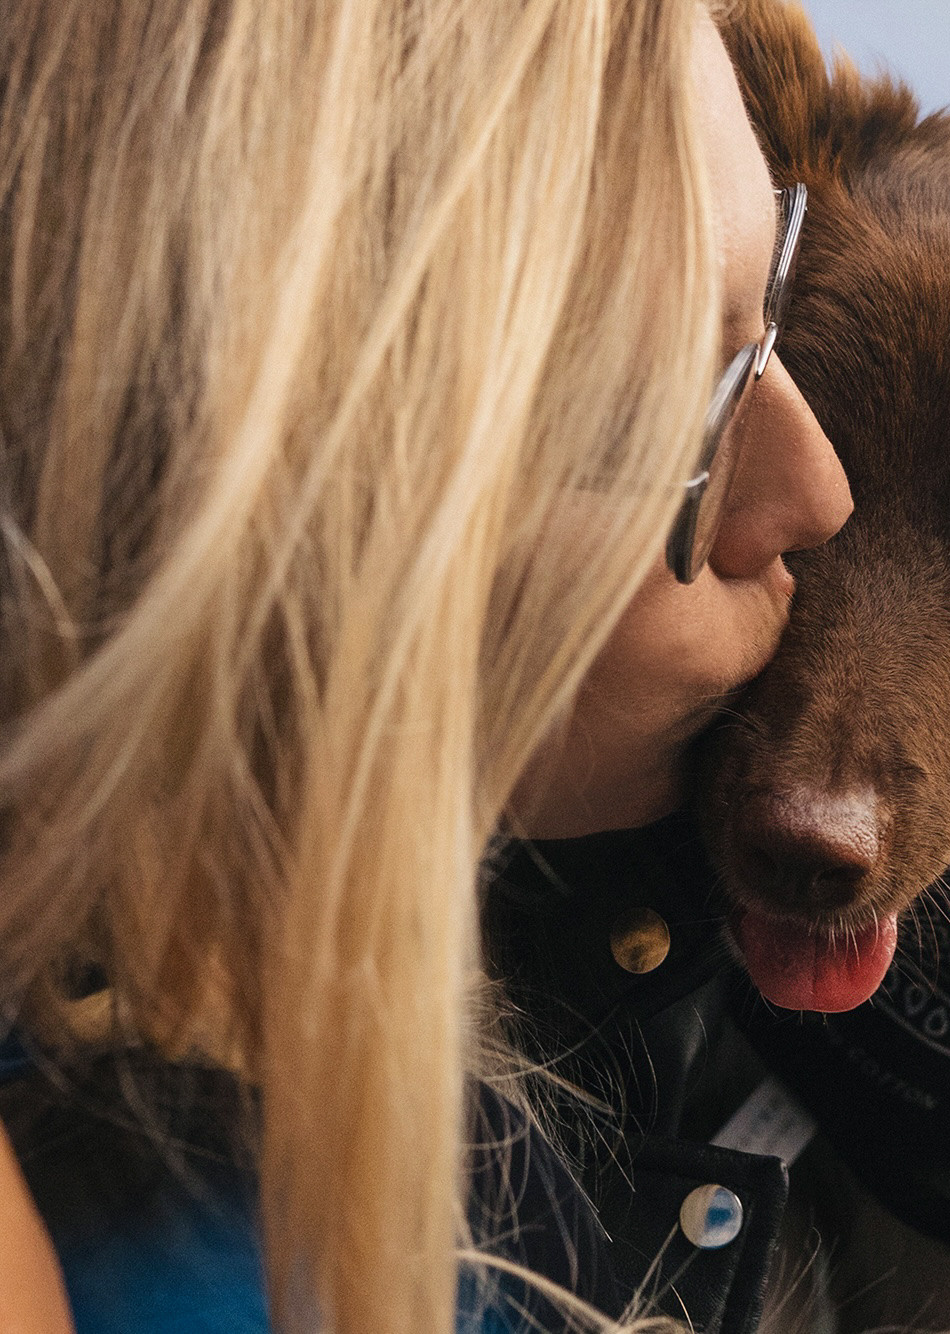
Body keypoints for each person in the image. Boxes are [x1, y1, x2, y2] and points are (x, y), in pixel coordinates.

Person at [0, 0, 848, 1330]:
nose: (820, 494)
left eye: (776, 315)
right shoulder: (234, 1265)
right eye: (685, 413)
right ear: (303, 515)